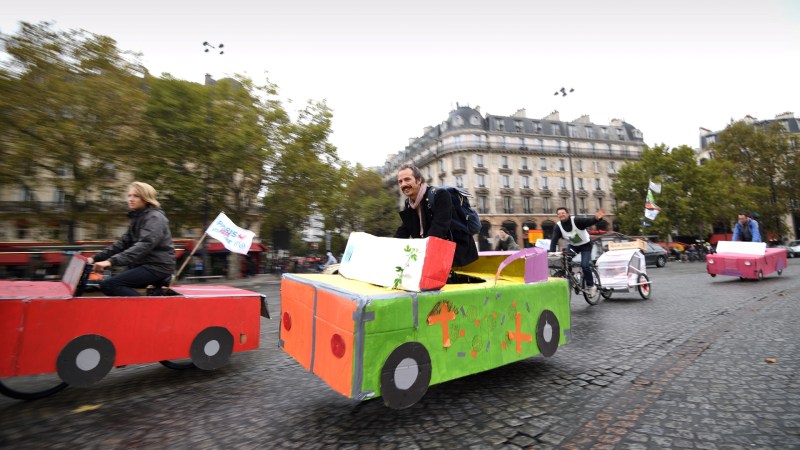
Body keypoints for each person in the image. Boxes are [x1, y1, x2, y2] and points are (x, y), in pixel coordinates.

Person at [88, 181, 176, 296]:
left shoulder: (155, 217)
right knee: (100, 285)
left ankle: (148, 311)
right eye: (129, 195)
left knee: (109, 285)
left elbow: (144, 245)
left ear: (146, 198)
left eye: (136, 196)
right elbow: (122, 244)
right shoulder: (138, 217)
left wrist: (110, 262)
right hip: (144, 264)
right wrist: (94, 259)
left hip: (157, 266)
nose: (131, 199)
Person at [394, 163, 478, 267]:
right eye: (400, 181)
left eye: (407, 179)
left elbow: (439, 227)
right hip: (435, 256)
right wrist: (391, 247)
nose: (403, 184)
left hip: (457, 257)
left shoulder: (440, 195)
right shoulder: (409, 203)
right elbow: (404, 230)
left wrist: (421, 252)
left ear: (419, 180)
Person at [548, 207, 605, 297]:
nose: (561, 215)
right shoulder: (558, 226)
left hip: (586, 245)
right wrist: (551, 253)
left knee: (585, 265)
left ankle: (591, 286)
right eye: (559, 214)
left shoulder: (576, 220)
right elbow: (554, 240)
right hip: (573, 246)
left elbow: (588, 222)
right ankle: (570, 278)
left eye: (563, 213)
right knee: (565, 260)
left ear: (567, 213)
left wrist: (596, 218)